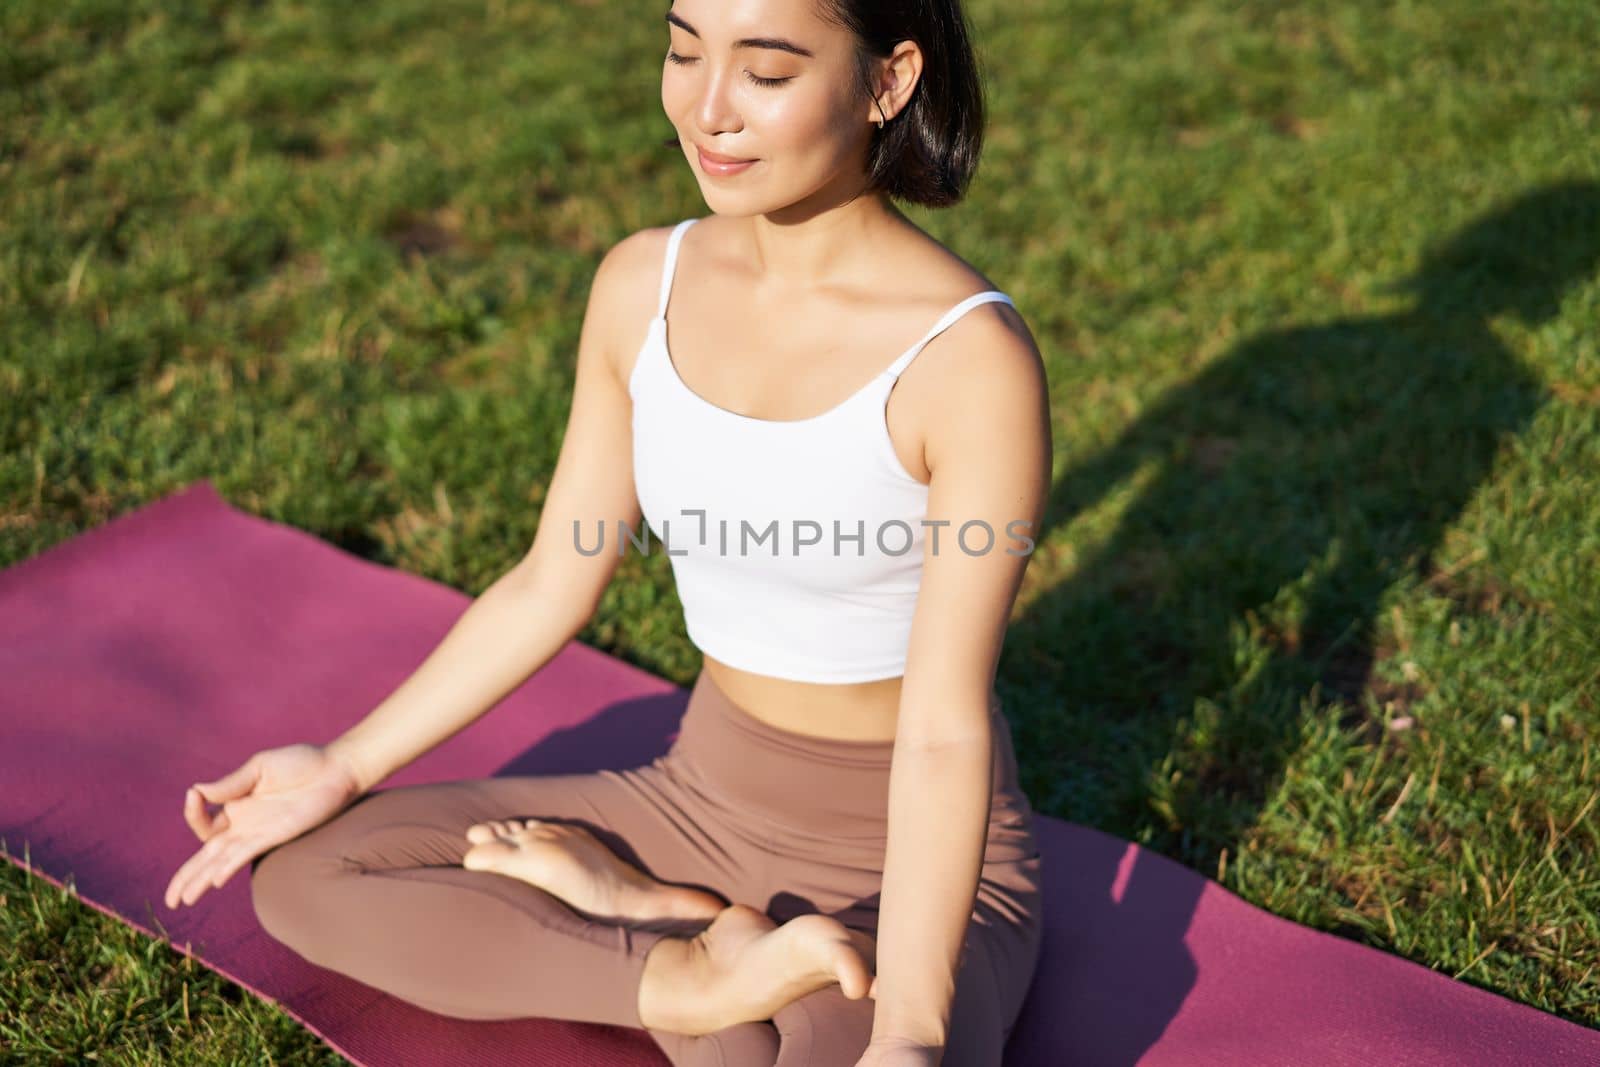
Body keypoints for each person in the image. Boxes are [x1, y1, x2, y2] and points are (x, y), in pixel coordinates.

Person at [163, 1, 1051, 1063]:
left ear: (887, 82)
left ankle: (661, 918)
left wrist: (911, 1029)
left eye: (764, 73)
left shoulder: (965, 357)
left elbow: (945, 728)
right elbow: (551, 579)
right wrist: (342, 767)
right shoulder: (643, 284)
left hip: (903, 844)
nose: (705, 109)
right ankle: (679, 964)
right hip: (697, 789)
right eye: (683, 53)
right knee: (312, 875)